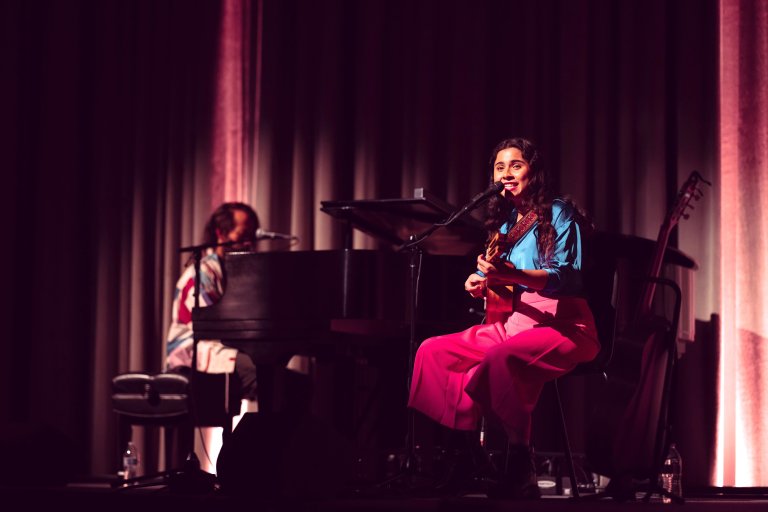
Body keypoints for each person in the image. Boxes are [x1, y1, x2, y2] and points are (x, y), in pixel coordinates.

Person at [407, 137, 600, 499]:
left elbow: (567, 277)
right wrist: (481, 283)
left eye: (516, 165)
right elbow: (504, 287)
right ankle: (468, 456)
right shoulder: (505, 225)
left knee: (500, 358)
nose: (506, 173)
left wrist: (509, 274)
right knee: (432, 351)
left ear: (534, 172)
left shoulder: (558, 213)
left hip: (564, 324)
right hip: (513, 323)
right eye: (499, 167)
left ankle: (520, 462)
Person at [166, 202, 259, 402]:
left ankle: (254, 433)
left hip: (221, 348)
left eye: (251, 237)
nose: (248, 243)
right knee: (265, 378)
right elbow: (211, 329)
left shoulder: (236, 273)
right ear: (220, 233)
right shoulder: (202, 274)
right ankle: (249, 434)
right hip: (193, 352)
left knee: (288, 382)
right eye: (242, 236)